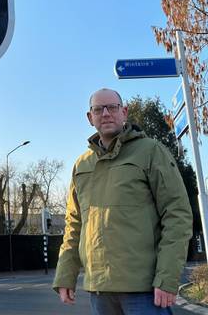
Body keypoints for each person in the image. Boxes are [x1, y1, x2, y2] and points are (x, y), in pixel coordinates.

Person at [53, 88, 193, 314]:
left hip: (145, 291)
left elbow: (177, 214)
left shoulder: (151, 151)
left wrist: (167, 278)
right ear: (90, 118)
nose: (106, 113)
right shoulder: (81, 165)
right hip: (99, 291)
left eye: (112, 107)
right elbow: (74, 225)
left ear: (124, 112)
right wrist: (65, 275)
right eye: (98, 109)